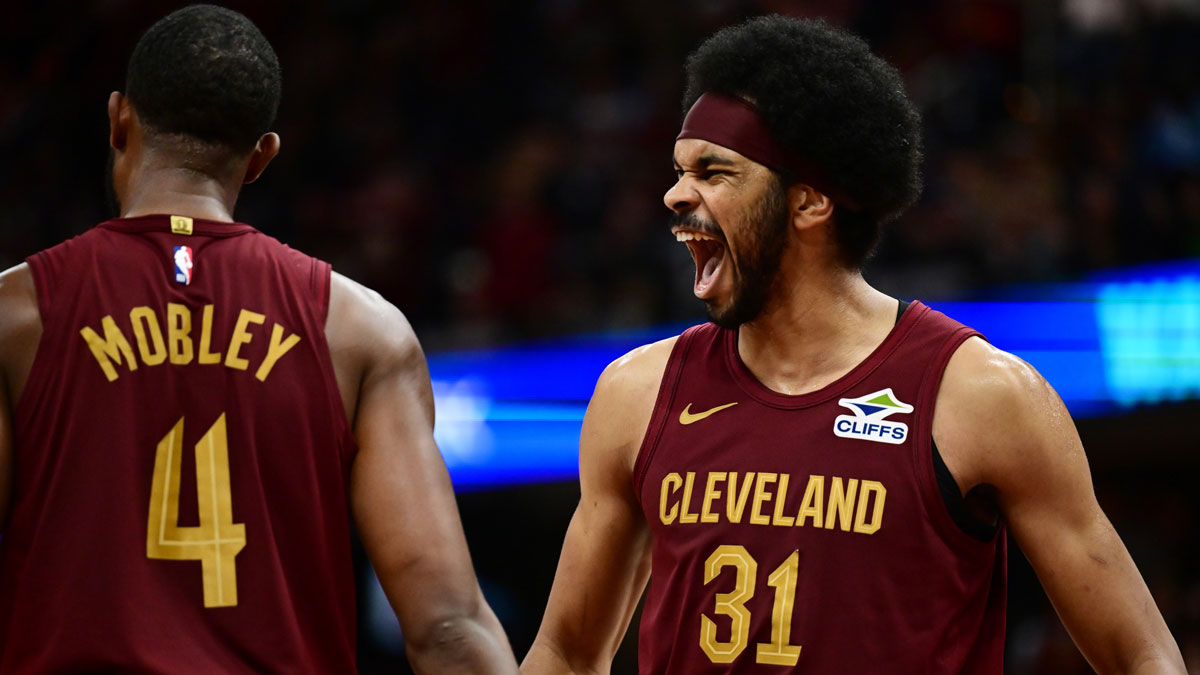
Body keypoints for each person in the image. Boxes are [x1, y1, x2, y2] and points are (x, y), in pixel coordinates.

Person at [521, 15, 1185, 675]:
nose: (674, 194)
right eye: (678, 169)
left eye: (714, 172)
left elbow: (1143, 656)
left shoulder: (980, 394)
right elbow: (566, 652)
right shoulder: (637, 393)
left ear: (810, 202)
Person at [0, 6, 517, 673]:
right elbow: (447, 623)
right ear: (261, 156)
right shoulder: (359, 330)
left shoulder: (17, 316)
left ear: (118, 119)